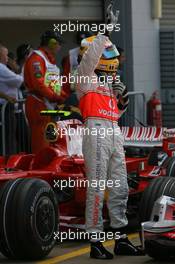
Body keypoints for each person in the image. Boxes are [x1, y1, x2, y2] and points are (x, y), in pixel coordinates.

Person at [76, 5, 143, 260]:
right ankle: (95, 240)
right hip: (95, 132)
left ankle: (121, 237)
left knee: (121, 187)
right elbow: (92, 57)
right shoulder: (83, 77)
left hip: (113, 131)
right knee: (97, 187)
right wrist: (106, 31)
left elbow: (116, 113)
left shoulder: (107, 84)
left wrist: (121, 98)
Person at [24, 30, 66, 153]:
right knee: (41, 141)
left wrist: (64, 97)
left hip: (49, 104)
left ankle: (49, 167)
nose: (60, 47)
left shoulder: (48, 59)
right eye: (58, 43)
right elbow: (39, 84)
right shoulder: (36, 58)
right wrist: (56, 97)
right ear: (52, 43)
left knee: (51, 140)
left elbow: (53, 83)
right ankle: (40, 170)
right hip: (38, 103)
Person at [0, 43, 23, 155]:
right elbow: (18, 80)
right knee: (8, 138)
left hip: (7, 106)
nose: (8, 58)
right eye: (6, 55)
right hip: (5, 107)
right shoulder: (1, 68)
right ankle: (8, 165)